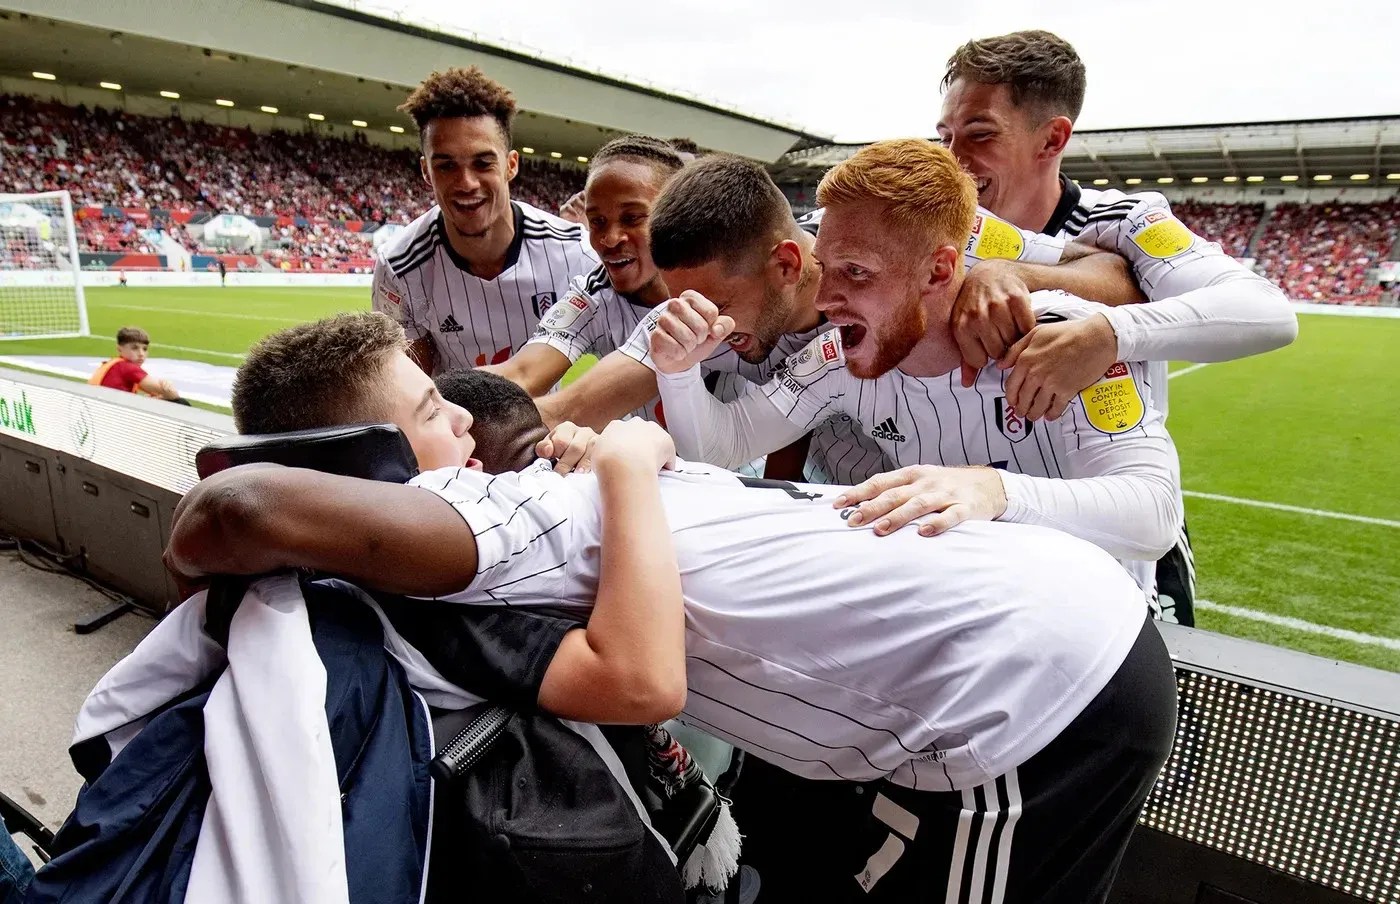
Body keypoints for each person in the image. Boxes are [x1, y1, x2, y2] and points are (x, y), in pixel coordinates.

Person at [167, 310, 1177, 903]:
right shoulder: (449, 512)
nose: (466, 419)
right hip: (1021, 672)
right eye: (432, 410)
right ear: (365, 468)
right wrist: (623, 465)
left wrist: (619, 466)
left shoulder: (475, 514)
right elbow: (230, 509)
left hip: (1028, 677)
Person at [649, 139, 1180, 598]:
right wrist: (678, 371)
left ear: (939, 269)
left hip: (1101, 635)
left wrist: (992, 491)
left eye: (856, 273)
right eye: (827, 269)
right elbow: (724, 445)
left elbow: (1154, 513)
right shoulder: (841, 355)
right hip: (975, 613)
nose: (828, 300)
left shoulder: (1062, 338)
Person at [935, 29, 1298, 623]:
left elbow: (1268, 313)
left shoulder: (1123, 220)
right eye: (944, 136)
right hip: (978, 525)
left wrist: (1106, 333)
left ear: (1051, 138)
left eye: (979, 135)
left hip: (1114, 542)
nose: (953, 160)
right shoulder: (932, 225)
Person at [371, 67, 597, 375]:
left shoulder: (572, 252)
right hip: (450, 421)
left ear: (511, 165)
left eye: (482, 162)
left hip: (547, 420)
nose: (466, 183)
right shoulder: (399, 268)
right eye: (446, 165)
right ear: (426, 172)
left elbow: (625, 352)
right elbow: (409, 388)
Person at [87, 326, 187, 403]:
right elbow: (173, 395)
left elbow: (156, 392)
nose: (141, 354)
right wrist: (167, 384)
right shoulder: (128, 368)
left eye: (145, 349)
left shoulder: (113, 364)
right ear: (119, 349)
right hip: (112, 418)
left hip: (99, 413)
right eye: (134, 348)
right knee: (181, 403)